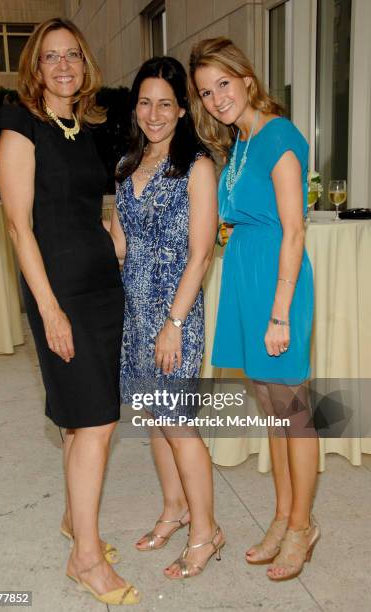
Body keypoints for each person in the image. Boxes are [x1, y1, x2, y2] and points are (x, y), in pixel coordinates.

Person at [0, 18, 139, 605]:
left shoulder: (87, 127)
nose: (62, 65)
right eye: (50, 56)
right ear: (35, 66)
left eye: (72, 55)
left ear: (84, 65)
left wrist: (120, 239)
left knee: (84, 420)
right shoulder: (18, 124)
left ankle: (73, 523)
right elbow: (18, 226)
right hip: (61, 294)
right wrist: (50, 310)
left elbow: (86, 210)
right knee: (99, 421)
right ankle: (84, 558)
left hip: (102, 285)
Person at [188, 37, 320, 581]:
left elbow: (294, 229)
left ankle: (301, 525)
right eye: (205, 91)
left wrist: (281, 313)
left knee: (293, 413)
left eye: (224, 83)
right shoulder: (240, 143)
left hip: (277, 286)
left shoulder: (279, 135)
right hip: (246, 280)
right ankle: (283, 516)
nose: (217, 97)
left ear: (246, 78)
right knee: (270, 409)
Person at [110, 56, 225, 579]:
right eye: (144, 102)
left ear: (182, 110)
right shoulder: (125, 166)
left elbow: (201, 253)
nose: (153, 113)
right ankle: (174, 509)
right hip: (134, 314)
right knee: (154, 422)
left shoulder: (197, 166)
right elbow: (119, 244)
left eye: (165, 103)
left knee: (178, 426)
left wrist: (173, 324)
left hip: (174, 316)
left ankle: (207, 531)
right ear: (135, 108)